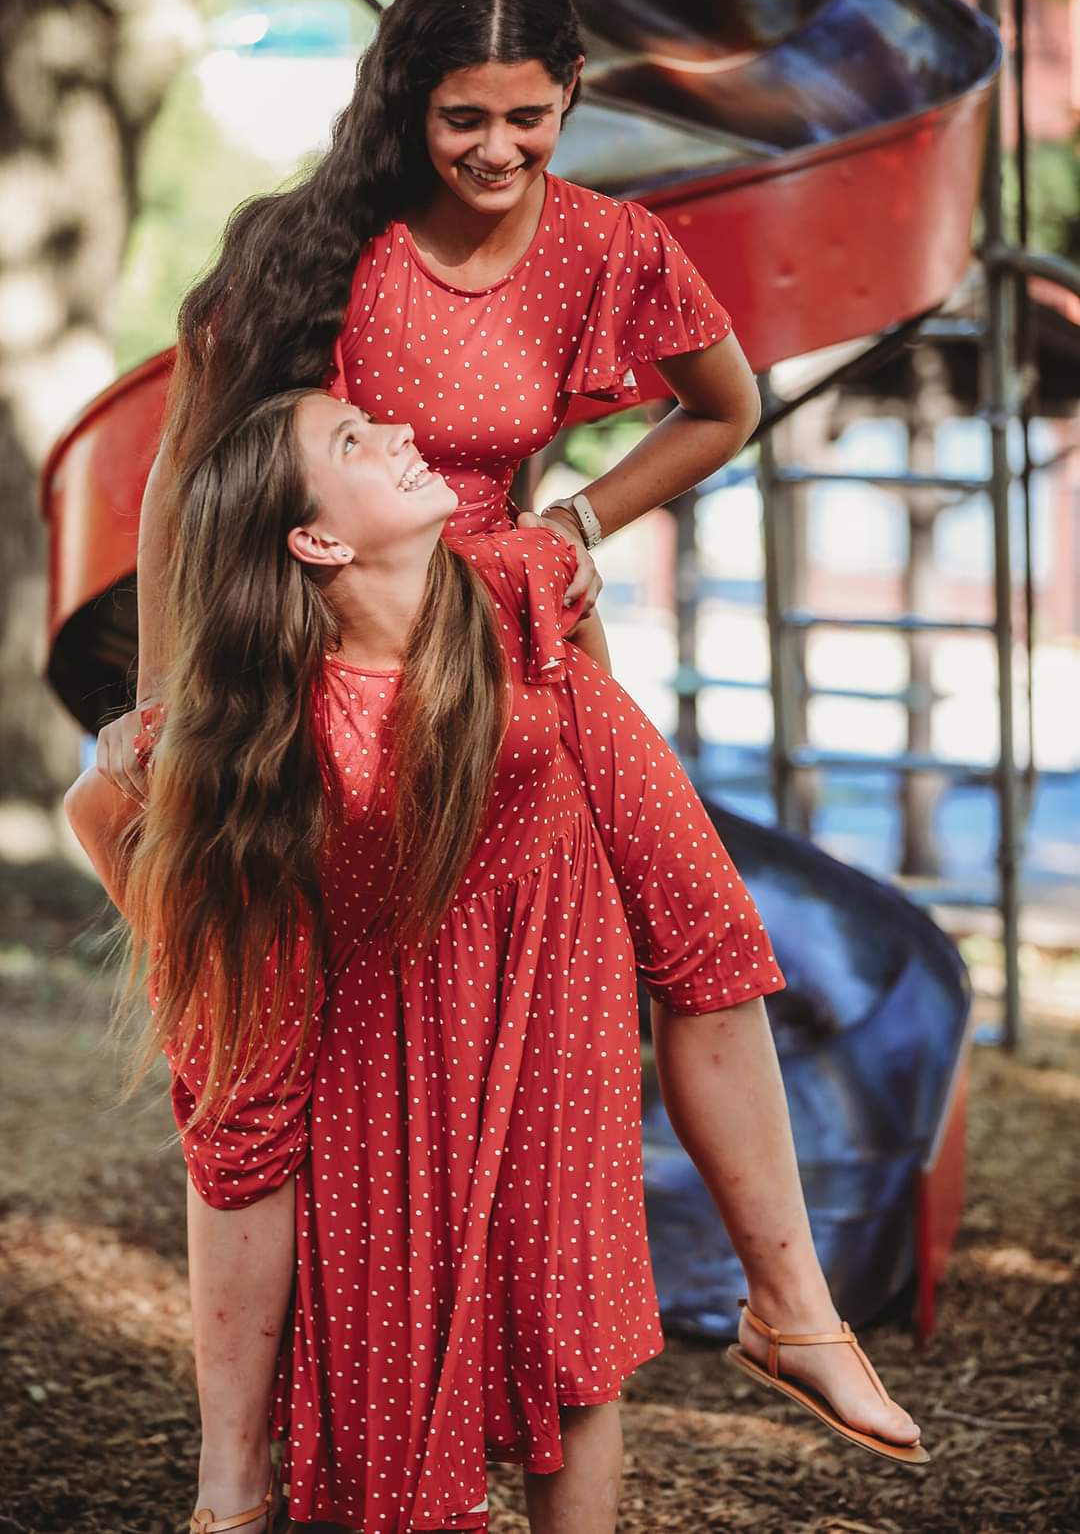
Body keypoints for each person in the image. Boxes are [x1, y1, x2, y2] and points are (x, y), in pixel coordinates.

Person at [69, 389, 925, 1534]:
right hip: (384, 1099)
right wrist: (202, 966)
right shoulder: (272, 727)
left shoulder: (514, 584)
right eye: (354, 443)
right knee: (387, 1394)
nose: (402, 435)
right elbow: (100, 808)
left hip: (549, 1039)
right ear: (317, 540)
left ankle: (796, 1303)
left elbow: (594, 657)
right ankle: (233, 1482)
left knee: (572, 1359)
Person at [94, 0, 760, 801]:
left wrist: (575, 524)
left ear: (571, 87)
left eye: (528, 118)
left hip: (511, 643)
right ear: (411, 100)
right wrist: (159, 694)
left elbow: (725, 410)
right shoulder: (308, 250)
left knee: (606, 913)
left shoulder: (611, 244)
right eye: (464, 118)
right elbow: (183, 471)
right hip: (320, 651)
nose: (497, 151)